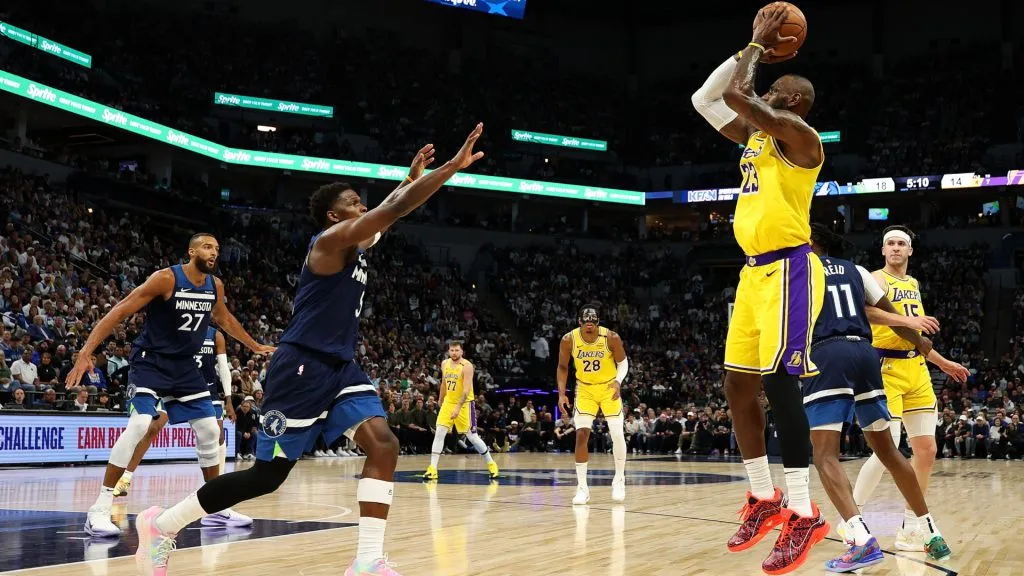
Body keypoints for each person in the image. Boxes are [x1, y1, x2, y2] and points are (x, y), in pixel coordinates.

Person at [134, 125, 485, 576]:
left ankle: (366, 560)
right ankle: (162, 525)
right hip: (300, 366)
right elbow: (389, 211)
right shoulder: (327, 244)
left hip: (339, 366)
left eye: (362, 202)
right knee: (267, 477)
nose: (362, 207)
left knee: (384, 445)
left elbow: (386, 213)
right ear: (335, 217)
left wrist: (409, 180)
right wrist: (449, 169)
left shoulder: (353, 241)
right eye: (353, 204)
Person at [692, 5, 828, 573]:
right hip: (752, 274)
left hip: (792, 270)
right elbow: (706, 99)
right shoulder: (755, 139)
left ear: (791, 100)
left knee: (780, 381)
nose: (766, 87)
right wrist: (744, 52)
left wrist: (753, 46)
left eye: (777, 85)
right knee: (737, 385)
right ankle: (763, 496)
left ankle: (803, 511)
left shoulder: (801, 137)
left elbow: (742, 97)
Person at [66, 233, 273, 538]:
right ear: (191, 251)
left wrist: (254, 345)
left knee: (211, 431)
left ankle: (214, 507)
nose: (213, 252)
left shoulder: (215, 285)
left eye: (216, 248)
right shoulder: (165, 279)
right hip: (150, 362)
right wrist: (86, 352)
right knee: (139, 425)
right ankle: (99, 508)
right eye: (206, 247)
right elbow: (120, 310)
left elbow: (224, 318)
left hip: (185, 367)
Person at [802, 224, 951, 571]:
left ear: (811, 244)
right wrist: (923, 339)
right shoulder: (857, 271)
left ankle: (859, 538)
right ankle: (929, 530)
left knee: (824, 455)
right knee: (889, 450)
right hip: (868, 356)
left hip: (828, 355)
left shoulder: (801, 269)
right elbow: (897, 320)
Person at [852, 224, 970, 551]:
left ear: (910, 250)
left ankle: (910, 527)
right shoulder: (875, 279)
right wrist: (907, 322)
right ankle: (853, 516)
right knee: (886, 447)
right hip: (885, 368)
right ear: (882, 250)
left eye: (901, 243)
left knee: (927, 451)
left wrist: (942, 362)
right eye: (889, 243)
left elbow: (915, 336)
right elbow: (866, 313)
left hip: (915, 369)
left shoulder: (913, 283)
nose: (895, 248)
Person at [113, 327, 236, 497]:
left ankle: (216, 485)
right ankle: (125, 478)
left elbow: (223, 367)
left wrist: (229, 398)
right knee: (152, 428)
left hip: (206, 389)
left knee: (218, 435)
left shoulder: (215, 335)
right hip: (177, 385)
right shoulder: (179, 327)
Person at [557, 304, 629, 505]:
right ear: (579, 322)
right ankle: (582, 488)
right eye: (586, 323)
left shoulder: (611, 337)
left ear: (598, 323)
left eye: (593, 324)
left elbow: (623, 363)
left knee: (616, 434)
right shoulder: (568, 340)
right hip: (585, 389)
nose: (590, 327)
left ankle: (619, 478)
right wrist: (561, 394)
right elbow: (563, 367)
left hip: (608, 388)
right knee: (581, 434)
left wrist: (618, 381)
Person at [423, 341, 498, 479]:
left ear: (462, 352)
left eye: (457, 350)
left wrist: (457, 408)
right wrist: (440, 400)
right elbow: (444, 383)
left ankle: (491, 463)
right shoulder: (445, 363)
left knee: (472, 437)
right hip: (448, 402)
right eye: (452, 350)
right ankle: (432, 469)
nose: (454, 353)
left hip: (464, 404)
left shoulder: (467, 366)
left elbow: (466, 390)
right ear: (448, 351)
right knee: (439, 433)